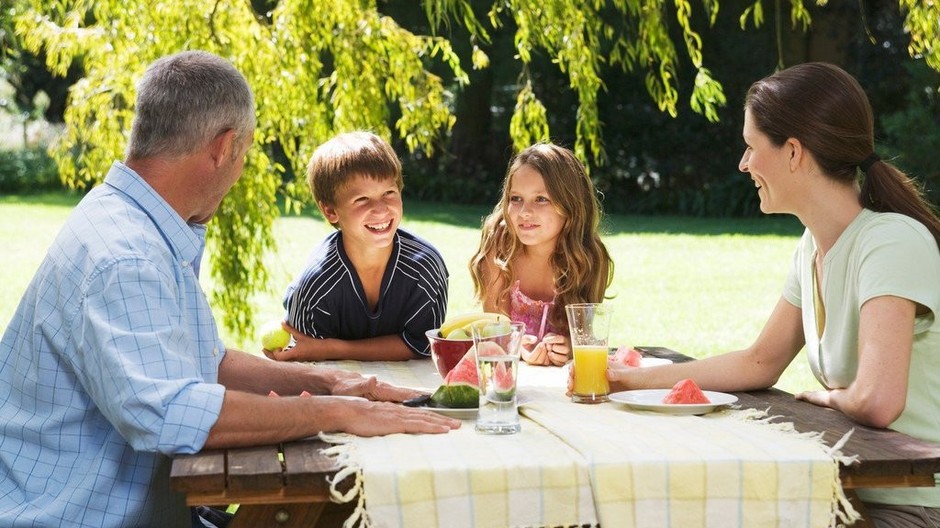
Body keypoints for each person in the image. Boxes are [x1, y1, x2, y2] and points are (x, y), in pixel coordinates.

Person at [0, 51, 459, 528]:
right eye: (245, 152)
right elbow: (174, 415)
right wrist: (335, 412)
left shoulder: (133, 222)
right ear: (223, 147)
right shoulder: (127, 256)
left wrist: (336, 383)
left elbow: (207, 363)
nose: (239, 170)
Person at [600, 62, 940, 527]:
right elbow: (760, 361)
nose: (743, 164)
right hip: (843, 493)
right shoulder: (812, 248)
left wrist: (832, 398)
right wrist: (628, 381)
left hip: (914, 504)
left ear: (794, 152)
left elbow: (878, 400)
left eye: (750, 146)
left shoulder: (890, 241)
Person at [266, 131, 449, 363]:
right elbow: (306, 363)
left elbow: (421, 345)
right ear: (331, 211)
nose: (381, 209)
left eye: (389, 193)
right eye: (362, 199)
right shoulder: (314, 286)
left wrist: (335, 349)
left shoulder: (426, 267)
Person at [470, 142, 614, 366]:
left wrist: (570, 347)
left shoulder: (589, 258)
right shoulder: (499, 247)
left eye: (541, 199)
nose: (525, 212)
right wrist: (518, 348)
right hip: (511, 376)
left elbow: (586, 337)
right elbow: (495, 332)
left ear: (571, 205)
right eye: (516, 199)